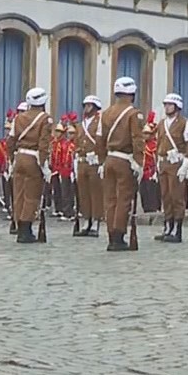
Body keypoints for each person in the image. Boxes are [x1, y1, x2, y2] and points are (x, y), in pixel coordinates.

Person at [97, 77, 145, 252]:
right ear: (132, 94)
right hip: (124, 160)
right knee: (123, 199)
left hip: (109, 159)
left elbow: (99, 139)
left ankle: (111, 234)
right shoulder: (134, 114)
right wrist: (139, 163)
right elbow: (137, 140)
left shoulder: (106, 113)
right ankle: (118, 236)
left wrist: (102, 160)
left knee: (110, 199)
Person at [155, 93, 188, 243]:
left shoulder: (184, 123)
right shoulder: (161, 124)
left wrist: (186, 165)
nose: (167, 107)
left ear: (177, 107)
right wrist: (156, 165)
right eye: (165, 104)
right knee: (165, 196)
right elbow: (158, 145)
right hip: (164, 163)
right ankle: (167, 225)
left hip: (176, 163)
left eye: (170, 105)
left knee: (176, 196)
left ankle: (177, 229)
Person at [9, 89, 50, 242]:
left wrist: (11, 159)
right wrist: (44, 164)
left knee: (18, 194)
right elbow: (43, 143)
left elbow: (10, 140)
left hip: (19, 156)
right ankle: (26, 229)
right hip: (33, 158)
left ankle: (19, 225)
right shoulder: (45, 119)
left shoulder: (18, 118)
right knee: (31, 196)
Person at [75, 95, 103, 237]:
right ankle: (87, 219)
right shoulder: (81, 125)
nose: (86, 108)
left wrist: (100, 158)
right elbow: (77, 143)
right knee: (83, 192)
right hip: (82, 161)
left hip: (94, 162)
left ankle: (96, 221)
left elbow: (102, 141)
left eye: (89, 105)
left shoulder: (100, 123)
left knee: (95, 192)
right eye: (85, 105)